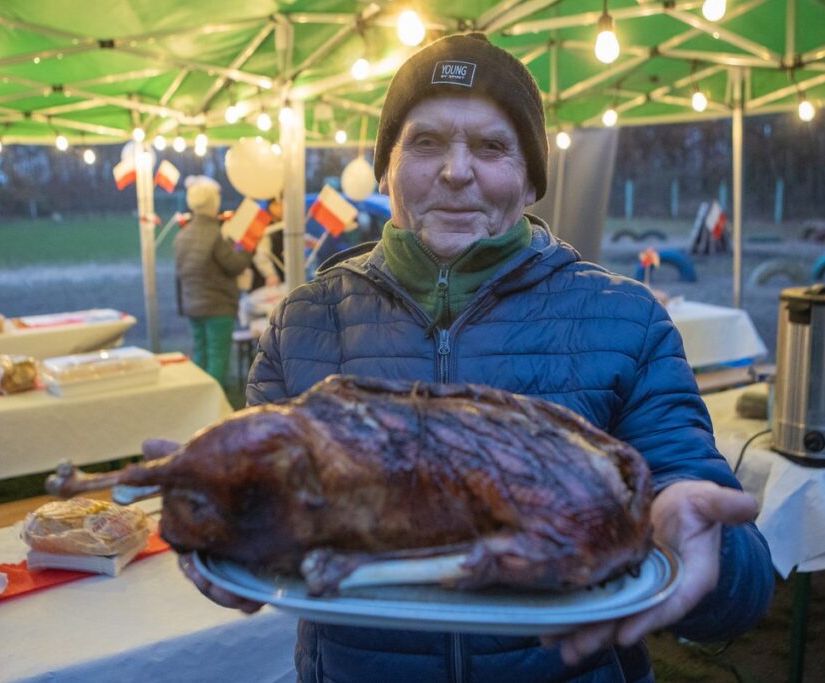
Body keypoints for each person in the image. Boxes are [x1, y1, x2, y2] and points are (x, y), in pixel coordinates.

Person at [179, 32, 774, 682]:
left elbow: (736, 580)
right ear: (387, 168)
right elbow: (254, 503)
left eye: (491, 147)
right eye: (426, 142)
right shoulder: (302, 323)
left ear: (529, 181)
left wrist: (706, 549)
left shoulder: (627, 320)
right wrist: (218, 526)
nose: (456, 170)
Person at [173, 175, 252, 387]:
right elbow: (235, 265)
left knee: (201, 355)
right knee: (218, 358)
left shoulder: (181, 236)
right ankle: (215, 405)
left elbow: (179, 274)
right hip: (218, 307)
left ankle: (200, 402)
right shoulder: (215, 235)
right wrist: (247, 248)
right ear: (213, 202)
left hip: (192, 305)